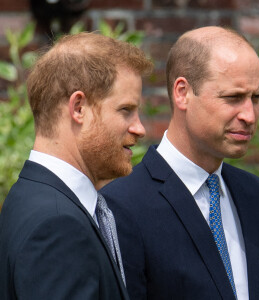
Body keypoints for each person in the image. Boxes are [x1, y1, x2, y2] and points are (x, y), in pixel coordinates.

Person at [101, 26, 259, 300]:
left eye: (256, 98)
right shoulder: (121, 206)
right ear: (182, 92)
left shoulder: (257, 197)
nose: (249, 115)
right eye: (233, 97)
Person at [0, 32, 152, 300]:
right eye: (125, 110)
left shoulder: (30, 197)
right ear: (79, 107)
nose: (139, 128)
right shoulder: (57, 226)